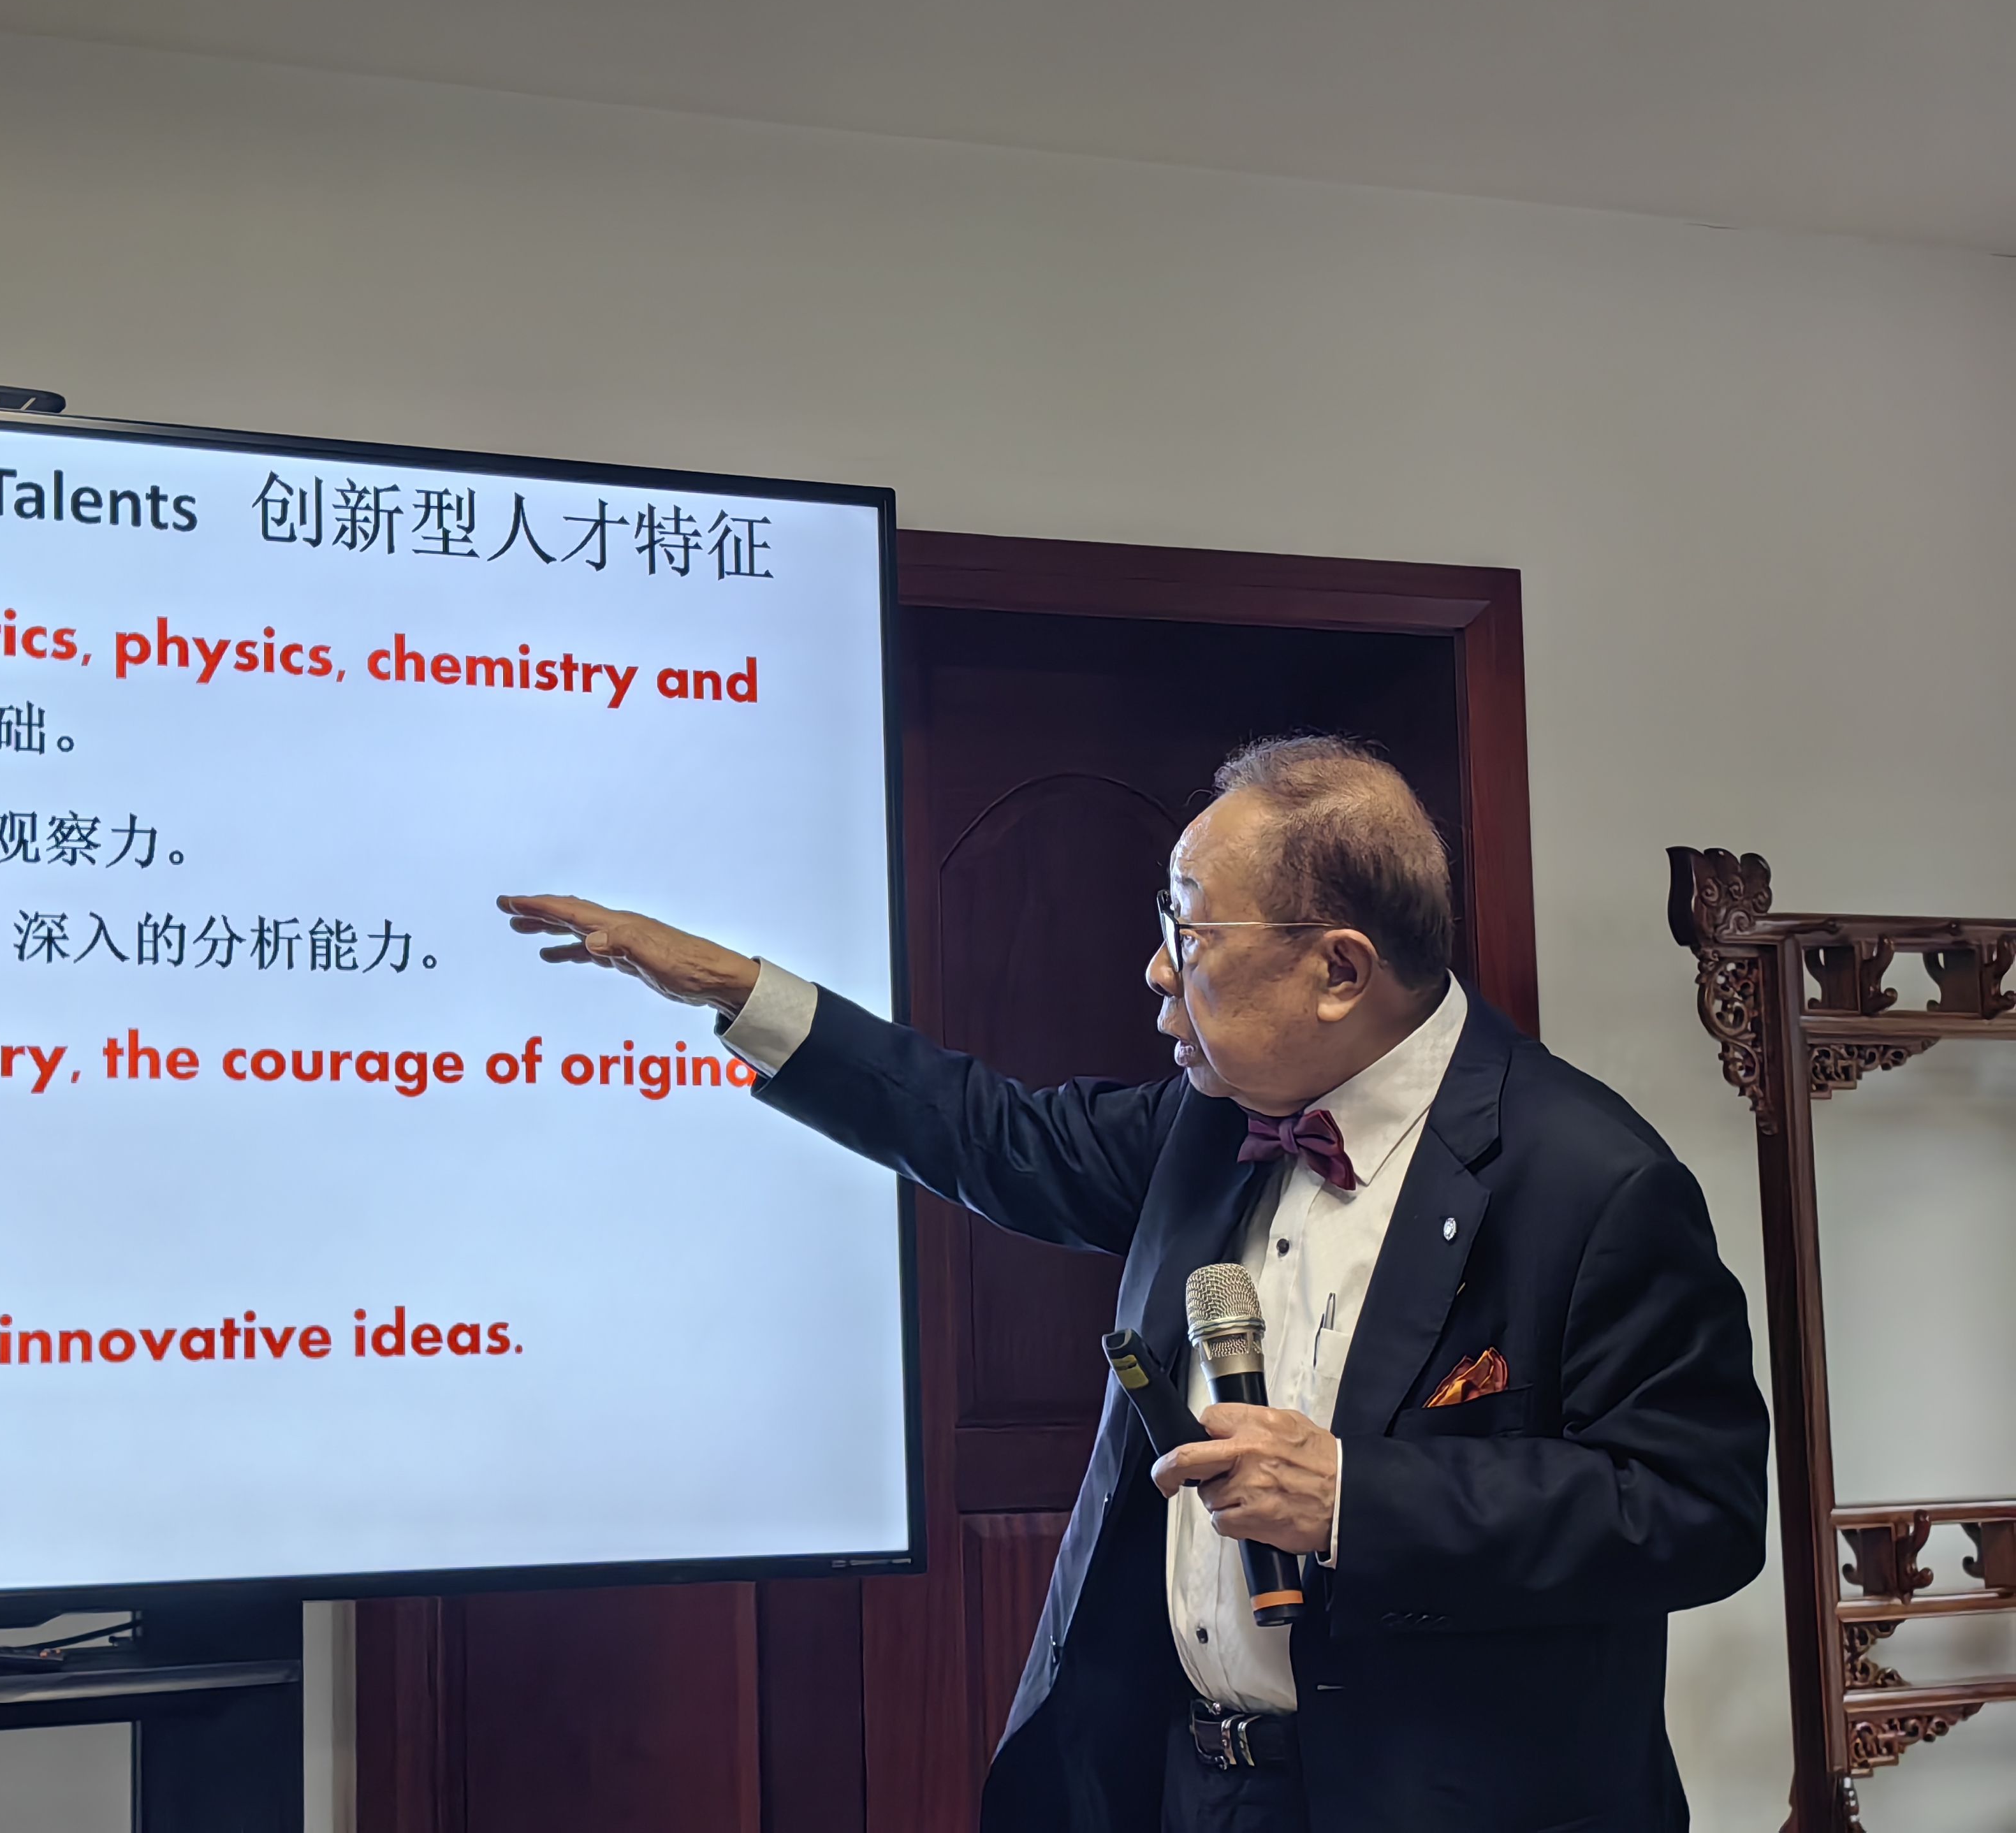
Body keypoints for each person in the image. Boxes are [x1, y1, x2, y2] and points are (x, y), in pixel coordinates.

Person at [499, 734, 1767, 1833]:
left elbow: (1693, 1510)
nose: (1159, 969)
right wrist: (740, 993)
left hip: (1438, 1801)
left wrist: (1356, 1498)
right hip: (1185, 1784)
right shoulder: (1206, 1123)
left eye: (1190, 931)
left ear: (1338, 971)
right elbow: (985, 1132)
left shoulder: (1588, 1180)